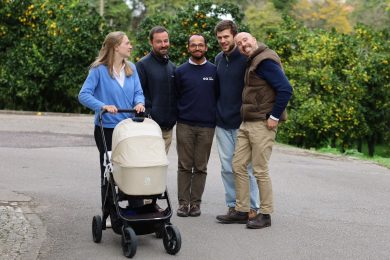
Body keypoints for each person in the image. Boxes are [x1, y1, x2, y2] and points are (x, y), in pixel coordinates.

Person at [218, 32, 293, 229]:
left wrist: (274, 117)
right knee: (238, 164)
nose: (243, 45)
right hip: (247, 122)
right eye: (239, 43)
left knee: (260, 170)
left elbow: (285, 89)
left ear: (254, 40)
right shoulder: (253, 60)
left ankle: (265, 214)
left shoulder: (265, 60)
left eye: (245, 40)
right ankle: (242, 210)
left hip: (262, 123)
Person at [78, 31, 145, 225]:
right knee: (109, 171)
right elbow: (84, 95)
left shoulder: (131, 68)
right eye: (127, 43)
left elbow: (139, 93)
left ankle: (135, 210)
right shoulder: (98, 70)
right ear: (116, 47)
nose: (130, 46)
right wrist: (102, 106)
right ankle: (109, 212)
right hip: (107, 128)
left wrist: (139, 103)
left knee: (132, 169)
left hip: (129, 129)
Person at [213, 20, 260, 223]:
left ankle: (252, 208)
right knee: (226, 167)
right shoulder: (218, 59)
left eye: (226, 37)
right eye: (220, 38)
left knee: (245, 168)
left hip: (242, 122)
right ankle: (234, 207)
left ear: (234, 36)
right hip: (222, 122)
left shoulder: (245, 58)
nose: (223, 41)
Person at [175, 34, 218, 217]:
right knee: (184, 166)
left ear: (206, 48)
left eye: (201, 45)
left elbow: (219, 96)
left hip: (207, 126)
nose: (197, 48)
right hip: (184, 124)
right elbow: (175, 96)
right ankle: (183, 204)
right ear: (188, 48)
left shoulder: (215, 71)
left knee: (201, 167)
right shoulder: (180, 71)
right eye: (194, 45)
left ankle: (196, 204)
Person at [136, 26, 176, 154]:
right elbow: (137, 94)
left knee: (160, 168)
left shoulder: (172, 66)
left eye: (166, 41)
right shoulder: (142, 65)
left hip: (168, 129)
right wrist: (149, 115)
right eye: (159, 42)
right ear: (151, 42)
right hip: (150, 128)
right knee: (148, 167)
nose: (163, 45)